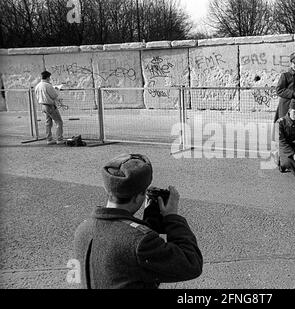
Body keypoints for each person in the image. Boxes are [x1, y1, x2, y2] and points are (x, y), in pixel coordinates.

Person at [74, 153, 203, 289]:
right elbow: (191, 263)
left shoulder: (83, 229)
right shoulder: (140, 242)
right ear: (138, 197)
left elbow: (127, 268)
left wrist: (149, 221)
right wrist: (172, 218)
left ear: (108, 188)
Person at [34, 70, 64, 145]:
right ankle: (59, 139)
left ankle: (49, 139)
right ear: (48, 77)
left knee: (48, 123)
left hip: (43, 106)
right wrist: (56, 89)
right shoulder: (48, 85)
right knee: (59, 122)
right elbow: (54, 96)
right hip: (50, 105)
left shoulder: (37, 85)